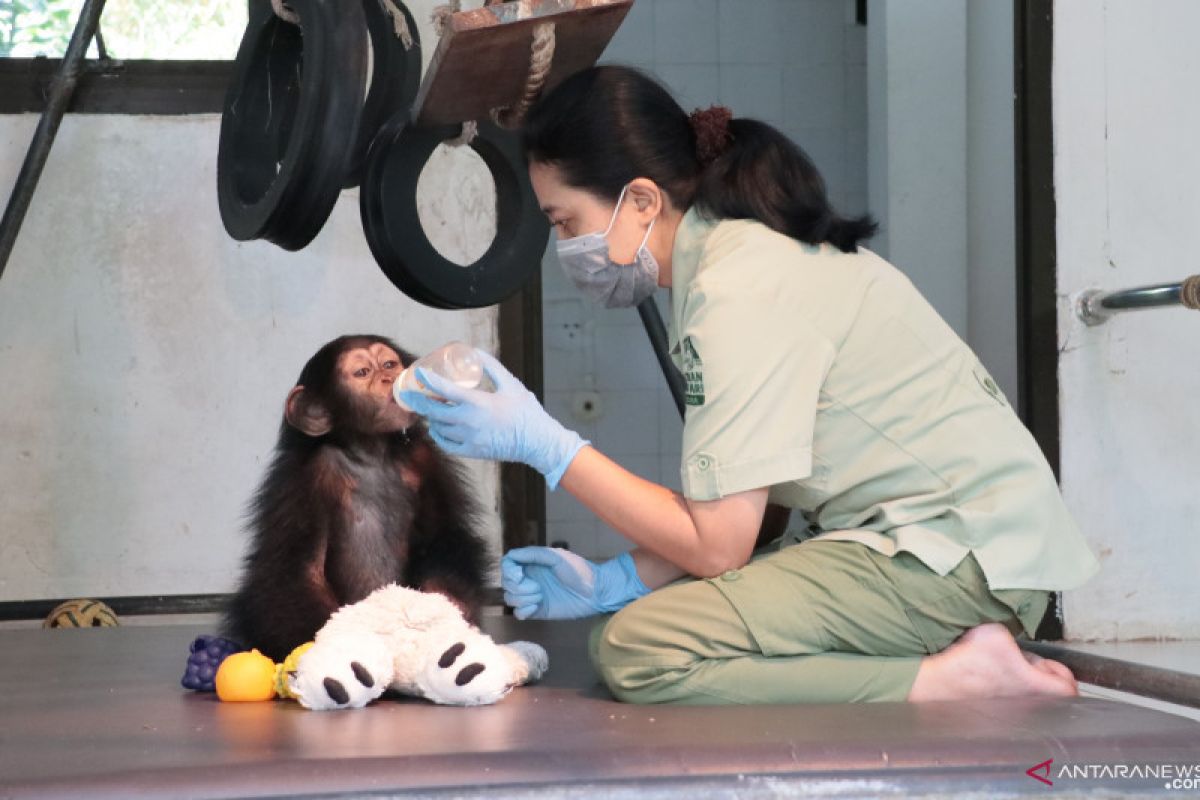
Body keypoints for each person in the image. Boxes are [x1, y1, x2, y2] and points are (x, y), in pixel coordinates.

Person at [398, 66, 1100, 705]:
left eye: (567, 222)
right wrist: (619, 578)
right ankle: (951, 663)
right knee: (641, 613)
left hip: (955, 561)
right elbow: (751, 503)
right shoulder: (730, 260)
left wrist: (546, 445)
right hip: (937, 544)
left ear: (641, 201)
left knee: (638, 649)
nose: (567, 248)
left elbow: (718, 546)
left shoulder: (737, 288)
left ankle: (952, 681)